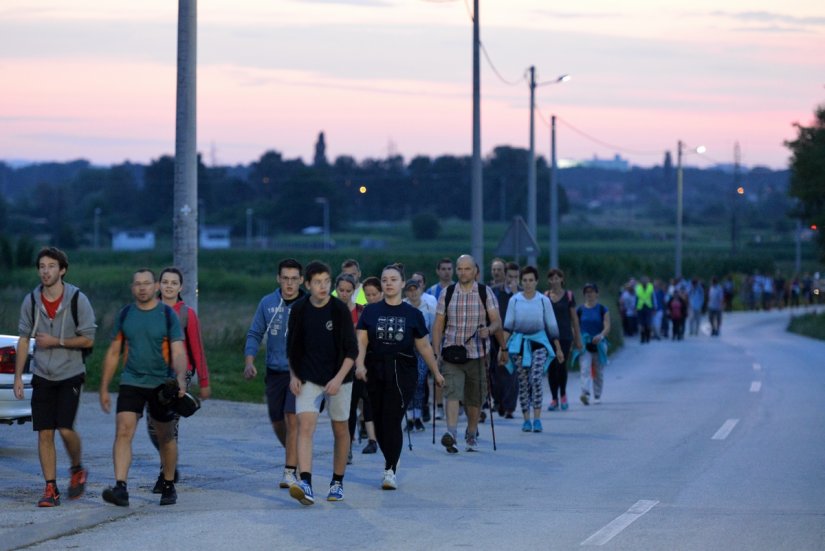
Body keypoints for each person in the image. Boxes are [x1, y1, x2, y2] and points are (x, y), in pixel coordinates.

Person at [13, 247, 96, 507]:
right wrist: (18, 376)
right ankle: (51, 488)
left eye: (51, 266)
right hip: (42, 374)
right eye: (42, 266)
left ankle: (77, 468)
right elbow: (24, 340)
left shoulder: (77, 299)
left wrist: (57, 341)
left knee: (65, 428)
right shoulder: (31, 300)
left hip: (70, 373)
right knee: (44, 432)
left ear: (62, 270)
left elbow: (88, 339)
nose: (45, 271)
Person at [99, 268, 188, 507]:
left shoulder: (168, 315)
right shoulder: (126, 314)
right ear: (132, 288)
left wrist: (180, 377)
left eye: (146, 283)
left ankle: (168, 484)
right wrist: (104, 387)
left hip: (161, 383)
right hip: (131, 381)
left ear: (155, 286)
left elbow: (179, 351)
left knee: (165, 435)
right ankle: (120, 487)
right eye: (137, 283)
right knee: (123, 431)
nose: (142, 287)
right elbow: (114, 351)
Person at [355, 264, 444, 489]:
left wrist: (436, 372)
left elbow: (424, 346)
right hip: (375, 369)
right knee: (380, 420)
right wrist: (359, 365)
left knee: (393, 419)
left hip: (402, 370)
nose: (388, 283)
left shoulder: (412, 314)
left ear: (403, 283)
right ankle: (392, 455)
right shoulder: (371, 311)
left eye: (393, 279)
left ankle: (390, 469)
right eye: (385, 280)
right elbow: (362, 342)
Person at [286, 261, 358, 506]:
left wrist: (338, 379)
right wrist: (294, 376)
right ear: (307, 285)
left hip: (340, 376)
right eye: (317, 282)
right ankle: (305, 482)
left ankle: (337, 482)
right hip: (308, 376)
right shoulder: (299, 309)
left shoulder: (339, 310)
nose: (323, 286)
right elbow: (292, 347)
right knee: (305, 426)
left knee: (340, 429)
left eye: (327, 281)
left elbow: (352, 351)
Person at [145, 267, 210, 493]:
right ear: (158, 285)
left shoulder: (186, 314)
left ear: (180, 287)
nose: (169, 286)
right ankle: (170, 463)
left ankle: (166, 475)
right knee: (152, 427)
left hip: (179, 376)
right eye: (165, 282)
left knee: (169, 425)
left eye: (174, 283)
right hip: (153, 375)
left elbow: (197, 348)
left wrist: (203, 380)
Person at [243, 259, 306, 490]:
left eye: (294, 279)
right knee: (278, 422)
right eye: (285, 278)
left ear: (301, 280)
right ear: (278, 278)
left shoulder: (309, 303)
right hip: (274, 371)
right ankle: (295, 455)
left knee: (292, 419)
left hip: (301, 372)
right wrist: (249, 361)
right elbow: (254, 333)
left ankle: (289, 472)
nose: (289, 283)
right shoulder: (267, 303)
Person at [431, 254, 501, 454]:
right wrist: (436, 353)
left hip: (477, 354)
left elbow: (496, 320)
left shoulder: (484, 292)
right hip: (452, 352)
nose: (463, 272)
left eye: (467, 269)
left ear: (475, 271)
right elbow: (438, 325)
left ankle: (471, 432)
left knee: (474, 398)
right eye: (460, 269)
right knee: (451, 392)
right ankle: (451, 434)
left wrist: (490, 329)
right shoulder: (448, 292)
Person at [500, 266, 561, 433]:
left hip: (539, 343)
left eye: (531, 280)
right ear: (521, 282)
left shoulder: (543, 300)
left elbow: (552, 326)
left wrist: (558, 348)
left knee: (535, 378)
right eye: (525, 280)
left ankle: (537, 418)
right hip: (519, 344)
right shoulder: (515, 300)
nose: (528, 284)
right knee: (523, 382)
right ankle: (526, 419)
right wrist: (502, 348)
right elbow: (508, 327)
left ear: (536, 282)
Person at [338, 272, 378, 459]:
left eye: (348, 290)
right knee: (344, 409)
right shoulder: (332, 310)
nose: (344, 293)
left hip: (359, 365)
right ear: (336, 290)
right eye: (341, 290)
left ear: (354, 291)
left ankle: (349, 448)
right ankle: (347, 445)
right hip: (338, 366)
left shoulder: (362, 311)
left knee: (354, 405)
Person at [544, 267, 582, 412]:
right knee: (551, 368)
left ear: (562, 279)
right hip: (549, 337)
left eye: (557, 278)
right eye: (551, 278)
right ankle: (554, 398)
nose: (554, 281)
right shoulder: (545, 296)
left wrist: (578, 339)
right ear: (548, 281)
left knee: (561, 365)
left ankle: (563, 395)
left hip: (565, 336)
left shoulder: (569, 296)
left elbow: (574, 319)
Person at [403, 277, 435, 432]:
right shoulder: (403, 306)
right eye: (409, 289)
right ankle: (409, 418)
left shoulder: (428, 306)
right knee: (408, 383)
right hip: (407, 351)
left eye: (415, 289)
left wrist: (435, 351)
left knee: (420, 382)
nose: (413, 292)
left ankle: (418, 416)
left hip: (423, 349)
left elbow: (434, 328)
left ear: (421, 290)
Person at [576, 283, 610, 405]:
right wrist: (577, 340)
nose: (589, 294)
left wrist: (600, 336)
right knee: (585, 369)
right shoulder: (579, 310)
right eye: (587, 292)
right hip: (585, 343)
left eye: (591, 291)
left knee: (598, 371)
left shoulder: (602, 309)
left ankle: (597, 394)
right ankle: (585, 393)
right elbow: (575, 327)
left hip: (599, 343)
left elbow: (607, 326)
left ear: (597, 293)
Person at [635, 276, 655, 344]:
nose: (644, 282)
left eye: (645, 280)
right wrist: (635, 307)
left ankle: (648, 337)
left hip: (648, 307)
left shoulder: (651, 287)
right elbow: (637, 298)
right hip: (640, 307)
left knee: (648, 323)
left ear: (647, 281)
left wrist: (654, 307)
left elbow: (652, 298)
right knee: (641, 324)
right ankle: (642, 338)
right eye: (643, 280)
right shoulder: (638, 287)